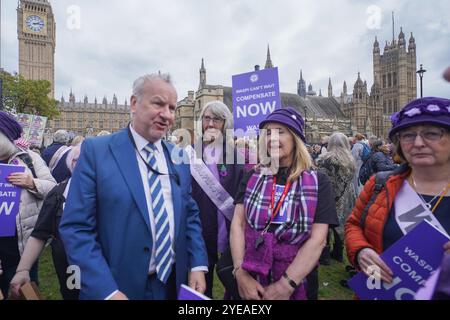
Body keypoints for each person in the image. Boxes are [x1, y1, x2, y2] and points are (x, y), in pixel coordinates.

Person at [59, 73, 208, 300]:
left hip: (172, 285)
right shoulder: (96, 152)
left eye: (172, 108)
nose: (166, 115)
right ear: (134, 103)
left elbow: (190, 214)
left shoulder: (179, 158)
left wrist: (198, 263)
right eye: (158, 103)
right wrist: (106, 291)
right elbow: (76, 228)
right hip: (118, 286)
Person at [230, 107, 338, 300]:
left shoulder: (318, 182)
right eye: (268, 132)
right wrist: (240, 273)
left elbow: (318, 239)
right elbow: (238, 224)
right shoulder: (252, 176)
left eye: (280, 132)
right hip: (251, 274)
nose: (272, 138)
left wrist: (286, 284)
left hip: (297, 281)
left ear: (295, 138)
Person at [345, 97, 450, 292]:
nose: (418, 142)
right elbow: (353, 225)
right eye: (408, 135)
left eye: (432, 133)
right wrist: (361, 250)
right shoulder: (379, 183)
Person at [9, 144, 82, 300]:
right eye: (76, 159)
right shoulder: (59, 193)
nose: (80, 163)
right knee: (74, 294)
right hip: (71, 266)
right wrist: (23, 269)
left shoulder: (112, 192)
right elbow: (40, 233)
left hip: (109, 266)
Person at [191, 100, 245, 298]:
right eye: (207, 118)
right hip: (198, 229)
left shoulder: (235, 156)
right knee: (198, 286)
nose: (211, 124)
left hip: (228, 229)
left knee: (232, 282)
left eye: (217, 119)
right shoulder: (189, 153)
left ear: (225, 124)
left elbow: (241, 193)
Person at [0, 111, 56, 298]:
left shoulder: (29, 159)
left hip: (23, 242)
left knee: (26, 289)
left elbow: (54, 190)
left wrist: (31, 183)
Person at [317, 132, 356, 263]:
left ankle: (324, 255)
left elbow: (321, 179)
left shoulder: (325, 160)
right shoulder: (351, 160)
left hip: (327, 195)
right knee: (341, 224)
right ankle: (338, 252)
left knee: (324, 224)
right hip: (345, 195)